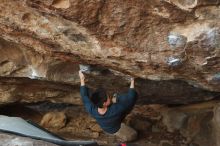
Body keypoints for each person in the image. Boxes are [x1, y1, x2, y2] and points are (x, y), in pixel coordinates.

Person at [79, 70, 138, 142]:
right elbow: (131, 97)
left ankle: (114, 133)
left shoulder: (91, 109)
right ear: (104, 103)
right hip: (116, 129)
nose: (109, 97)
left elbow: (84, 95)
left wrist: (82, 79)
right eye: (108, 98)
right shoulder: (116, 110)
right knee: (134, 134)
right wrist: (132, 81)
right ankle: (121, 138)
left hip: (106, 128)